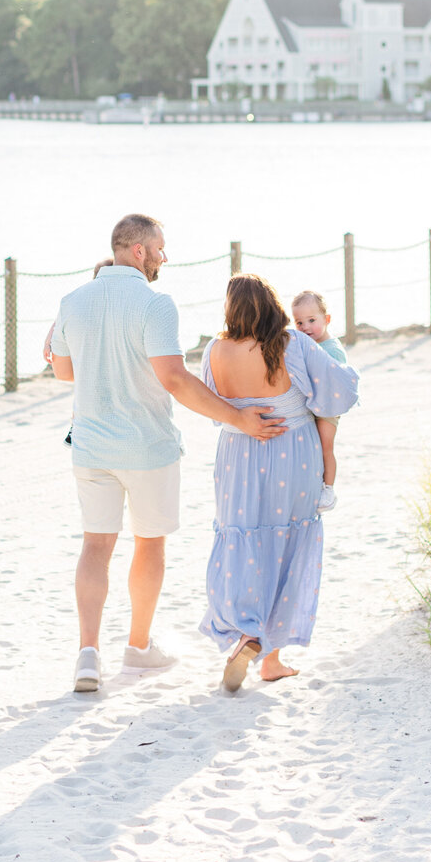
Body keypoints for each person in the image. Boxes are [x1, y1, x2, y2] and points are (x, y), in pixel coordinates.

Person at [49, 214, 286, 694]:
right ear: (139, 251)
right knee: (149, 543)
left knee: (95, 545)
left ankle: (87, 654)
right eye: (159, 248)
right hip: (147, 447)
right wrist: (237, 418)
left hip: (91, 446)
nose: (164, 256)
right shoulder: (155, 304)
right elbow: (174, 379)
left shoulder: (72, 301)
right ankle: (138, 647)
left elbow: (64, 373)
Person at [200, 273, 359, 690]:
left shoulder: (215, 350)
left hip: (238, 456)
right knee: (286, 543)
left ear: (230, 310)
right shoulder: (294, 344)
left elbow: (213, 405)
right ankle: (270, 657)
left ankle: (248, 632)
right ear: (272, 305)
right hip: (293, 453)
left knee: (243, 540)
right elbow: (339, 392)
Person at [290, 289, 353, 509]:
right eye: (299, 322)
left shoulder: (331, 349)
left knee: (326, 447)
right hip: (315, 405)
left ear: (326, 320)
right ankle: (314, 483)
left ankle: (329, 489)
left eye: (311, 320)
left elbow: (334, 378)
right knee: (313, 448)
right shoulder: (309, 344)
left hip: (328, 408)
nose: (305, 327)